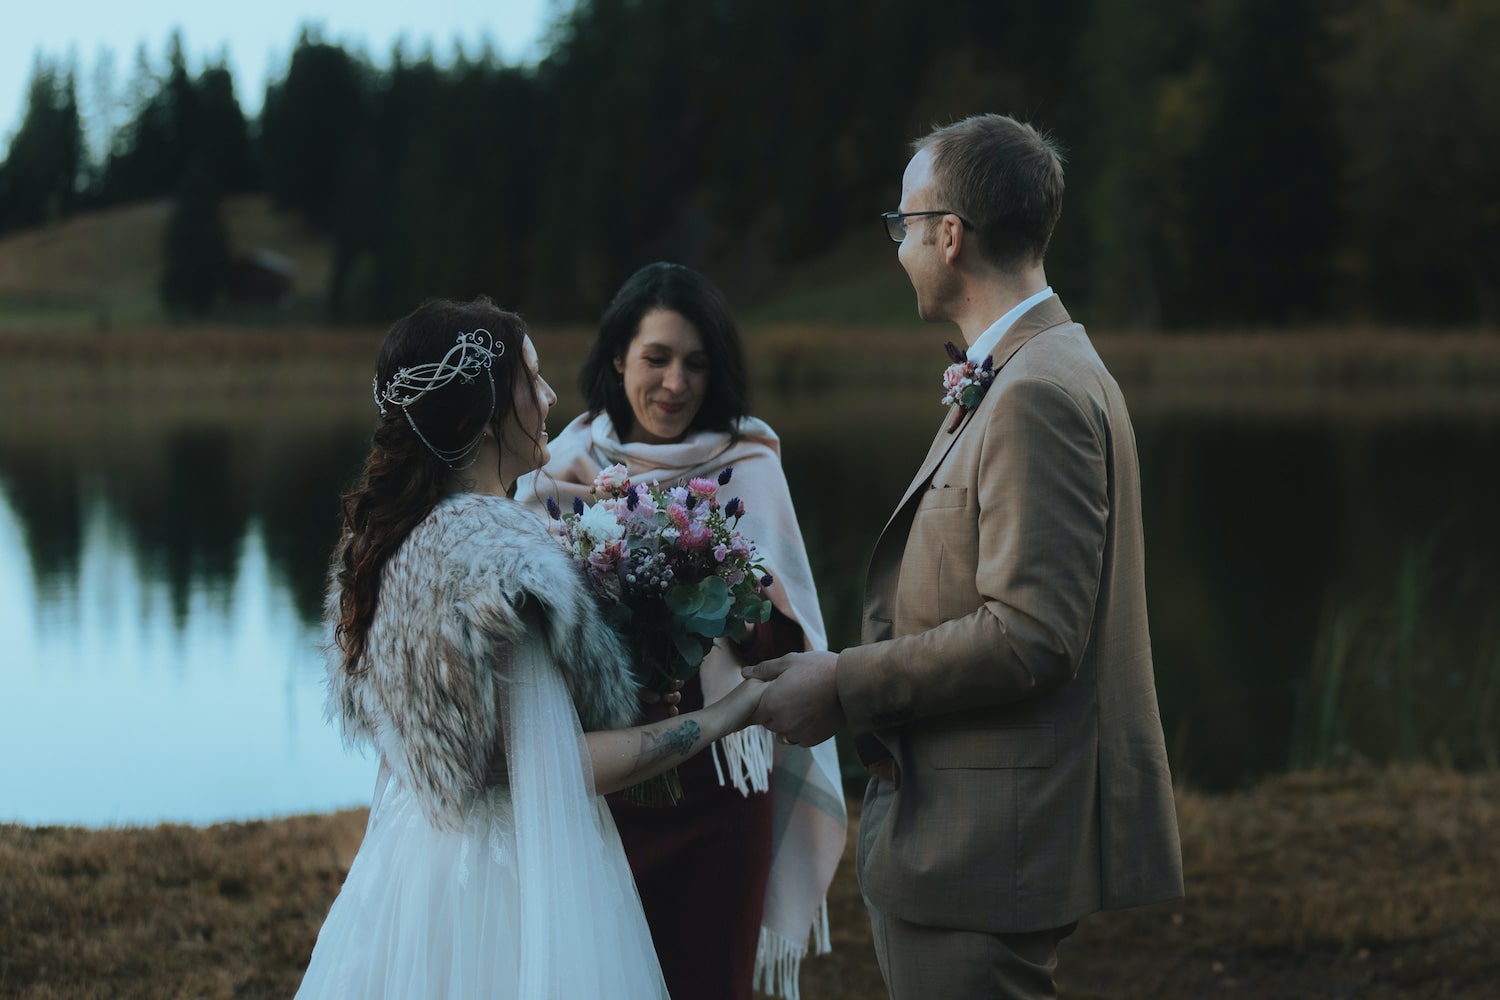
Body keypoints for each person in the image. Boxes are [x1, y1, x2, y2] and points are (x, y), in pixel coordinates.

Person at [742, 114, 1185, 998]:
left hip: (985, 851)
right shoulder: (1030, 367)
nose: (899, 246)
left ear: (949, 236)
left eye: (902, 224)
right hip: (974, 837)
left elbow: (1032, 635)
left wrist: (842, 682)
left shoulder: (1037, 392)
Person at [294, 296, 766, 999]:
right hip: (509, 882)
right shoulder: (505, 563)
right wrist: (731, 713)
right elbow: (554, 767)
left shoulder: (395, 541)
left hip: (410, 866)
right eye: (532, 379)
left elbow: (464, 741)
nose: (549, 397)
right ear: (486, 412)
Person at [515, 262, 846, 1000]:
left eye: (695, 364)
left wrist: (730, 594)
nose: (675, 383)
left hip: (721, 785)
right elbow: (530, 639)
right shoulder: (557, 471)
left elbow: (788, 648)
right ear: (617, 360)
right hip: (605, 788)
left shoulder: (748, 467)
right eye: (657, 358)